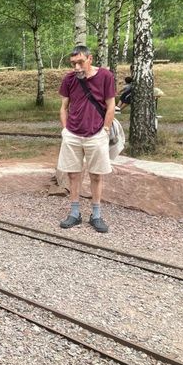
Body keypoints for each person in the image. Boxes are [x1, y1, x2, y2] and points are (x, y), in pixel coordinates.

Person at [58, 45, 115, 233]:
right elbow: (64, 106)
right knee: (73, 174)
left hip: (96, 133)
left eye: (80, 62)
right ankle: (75, 213)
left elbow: (110, 105)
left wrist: (105, 129)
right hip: (73, 134)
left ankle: (96, 215)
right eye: (73, 63)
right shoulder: (69, 79)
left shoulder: (105, 76)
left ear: (90, 59)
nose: (77, 68)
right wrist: (66, 130)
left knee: (96, 175)